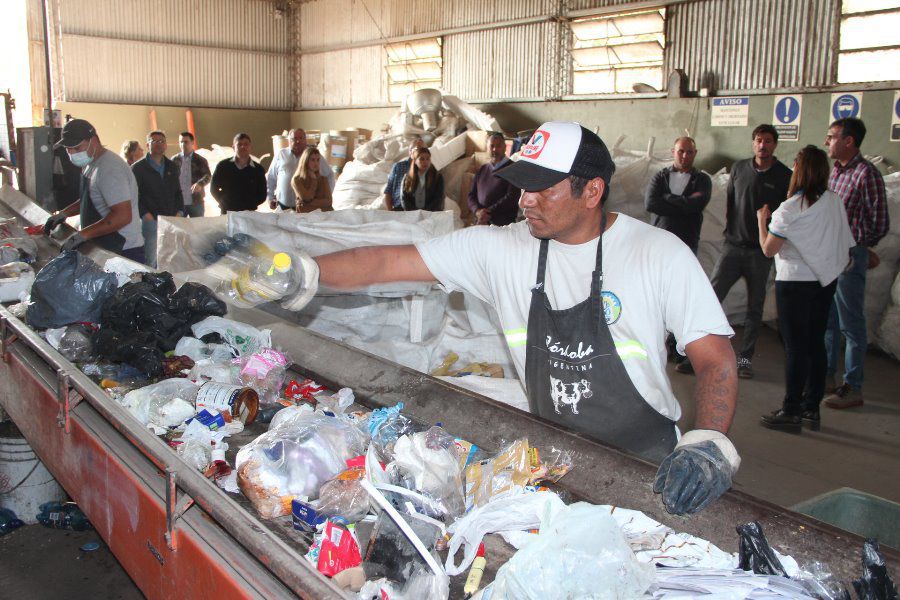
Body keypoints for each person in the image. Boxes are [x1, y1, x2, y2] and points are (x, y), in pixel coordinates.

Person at [306, 122, 740, 516]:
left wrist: (708, 444)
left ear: (592, 191)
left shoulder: (658, 254)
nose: (525, 200)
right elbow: (384, 263)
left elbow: (715, 357)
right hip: (552, 460)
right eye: (521, 186)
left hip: (650, 465)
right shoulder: (502, 251)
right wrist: (299, 273)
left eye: (542, 189)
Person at [756, 146, 854, 432]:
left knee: (796, 349)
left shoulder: (789, 209)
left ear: (797, 171)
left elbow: (768, 249)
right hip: (824, 281)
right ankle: (812, 408)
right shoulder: (834, 202)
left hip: (794, 282)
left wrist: (762, 221)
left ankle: (791, 409)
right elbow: (843, 241)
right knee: (815, 344)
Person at [709, 124, 792, 379]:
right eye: (758, 140)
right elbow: (731, 205)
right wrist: (732, 234)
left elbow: (785, 215)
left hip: (760, 253)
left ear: (775, 145)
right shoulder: (739, 169)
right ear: (753, 143)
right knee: (710, 298)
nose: (762, 145)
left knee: (754, 308)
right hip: (733, 247)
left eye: (768, 141)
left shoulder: (784, 175)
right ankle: (702, 354)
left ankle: (744, 359)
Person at [821, 118, 889, 410]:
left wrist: (858, 247)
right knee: (829, 321)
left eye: (832, 137)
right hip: (829, 255)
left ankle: (853, 386)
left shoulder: (866, 174)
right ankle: (826, 376)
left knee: (851, 324)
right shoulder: (834, 173)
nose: (827, 142)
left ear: (849, 141)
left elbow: (879, 221)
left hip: (848, 257)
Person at [644, 137, 712, 374]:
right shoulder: (659, 177)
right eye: (681, 151)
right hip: (659, 245)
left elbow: (698, 204)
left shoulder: (702, 179)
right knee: (655, 297)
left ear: (695, 153)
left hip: (686, 246)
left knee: (681, 300)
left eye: (689, 152)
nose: (685, 156)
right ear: (673, 151)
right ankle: (655, 343)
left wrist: (669, 200)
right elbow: (651, 203)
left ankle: (678, 348)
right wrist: (683, 202)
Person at [43, 119, 144, 263]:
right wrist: (63, 214)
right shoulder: (91, 164)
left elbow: (123, 216)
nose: (72, 153)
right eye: (68, 149)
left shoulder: (110, 169)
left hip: (123, 251)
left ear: (94, 141)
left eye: (77, 148)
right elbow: (89, 198)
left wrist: (83, 235)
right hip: (105, 247)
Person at [131, 131, 183, 268]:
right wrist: (145, 214)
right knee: (151, 259)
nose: (159, 144)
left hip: (171, 220)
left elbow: (178, 192)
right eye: (155, 141)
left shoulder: (172, 166)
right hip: (151, 221)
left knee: (170, 257)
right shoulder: (138, 168)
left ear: (166, 145)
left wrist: (180, 211)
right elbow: (134, 196)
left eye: (162, 141)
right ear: (148, 145)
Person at [267, 129, 336, 211]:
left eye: (301, 138)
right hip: (283, 205)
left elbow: (329, 175)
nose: (298, 141)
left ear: (305, 140)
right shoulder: (281, 154)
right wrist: (270, 197)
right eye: (294, 138)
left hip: (307, 209)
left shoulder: (314, 156)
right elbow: (271, 177)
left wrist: (325, 195)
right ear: (289, 140)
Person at [467, 132, 521, 226]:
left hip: (502, 225)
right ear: (487, 148)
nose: (495, 149)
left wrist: (487, 213)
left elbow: (512, 197)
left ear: (505, 147)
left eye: (498, 146)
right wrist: (477, 211)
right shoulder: (482, 169)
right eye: (491, 146)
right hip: (481, 221)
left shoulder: (513, 168)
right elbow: (471, 195)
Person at [210, 133, 267, 214]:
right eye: (239, 144)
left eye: (246, 144)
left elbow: (262, 193)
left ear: (250, 147)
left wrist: (251, 204)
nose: (242, 147)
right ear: (233, 147)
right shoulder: (223, 166)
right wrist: (223, 202)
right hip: (227, 212)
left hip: (249, 212)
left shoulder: (258, 169)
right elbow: (213, 188)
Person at [172, 131, 211, 219]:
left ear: (192, 143)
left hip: (196, 201)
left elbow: (207, 175)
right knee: (180, 229)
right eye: (181, 142)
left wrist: (200, 184)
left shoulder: (200, 160)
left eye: (186, 142)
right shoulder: (174, 160)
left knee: (198, 229)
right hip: (179, 202)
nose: (183, 144)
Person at [382, 138, 425, 211]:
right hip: (399, 210)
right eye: (418, 149)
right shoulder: (398, 167)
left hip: (420, 211)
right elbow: (388, 192)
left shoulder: (428, 170)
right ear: (410, 152)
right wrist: (390, 212)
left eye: (424, 150)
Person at [401, 147, 444, 212]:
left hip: (431, 214)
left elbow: (438, 199)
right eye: (422, 159)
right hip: (412, 215)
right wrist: (415, 213)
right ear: (415, 161)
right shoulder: (407, 178)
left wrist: (425, 213)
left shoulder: (437, 177)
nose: (425, 162)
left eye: (428, 159)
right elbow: (404, 199)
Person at [291, 147, 333, 213]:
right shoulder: (297, 180)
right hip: (306, 217)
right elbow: (307, 198)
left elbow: (329, 201)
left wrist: (307, 203)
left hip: (324, 216)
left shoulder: (323, 179)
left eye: (318, 160)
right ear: (306, 161)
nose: (316, 163)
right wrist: (314, 181)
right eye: (312, 160)